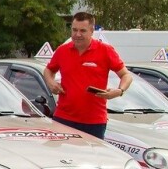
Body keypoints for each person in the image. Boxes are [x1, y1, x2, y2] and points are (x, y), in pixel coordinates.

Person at [43, 11, 133, 140]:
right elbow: (48, 70)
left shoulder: (105, 50)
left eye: (82, 31)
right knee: (61, 158)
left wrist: (119, 91)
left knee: (92, 159)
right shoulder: (62, 50)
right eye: (74, 30)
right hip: (63, 117)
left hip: (94, 121)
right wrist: (50, 82)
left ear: (92, 31)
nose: (77, 34)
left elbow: (126, 75)